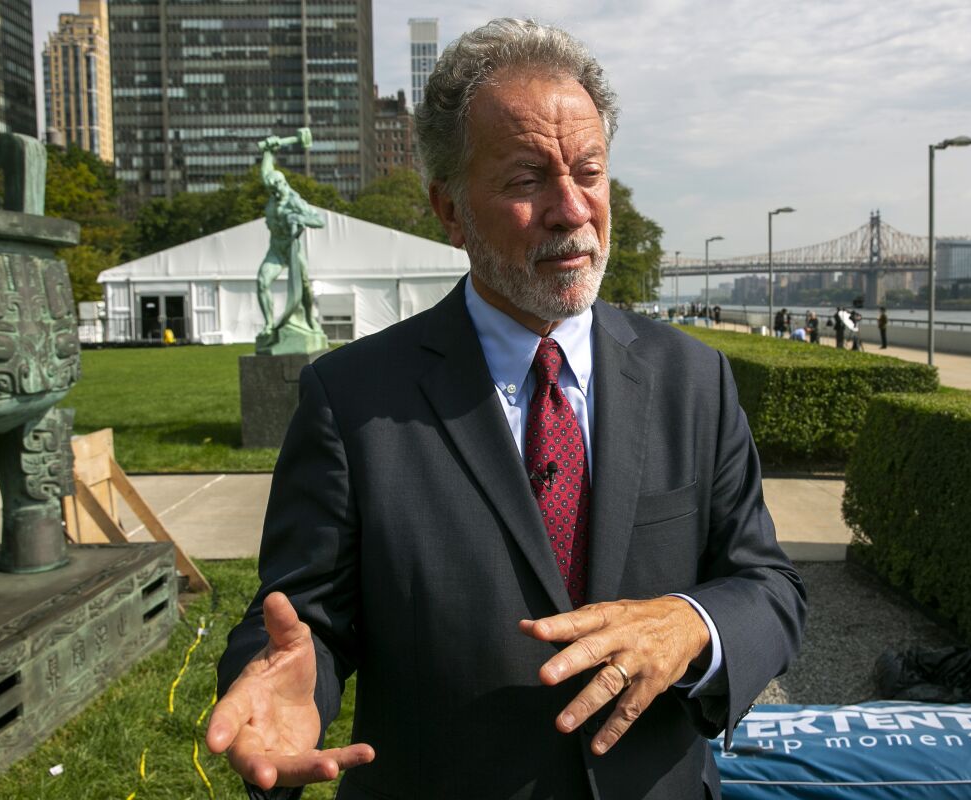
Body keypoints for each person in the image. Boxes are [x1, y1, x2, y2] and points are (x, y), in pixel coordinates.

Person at [208, 19, 805, 800]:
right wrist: (279, 679)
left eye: (589, 171)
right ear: (449, 212)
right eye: (527, 180)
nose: (572, 210)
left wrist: (692, 622)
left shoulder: (694, 380)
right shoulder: (352, 400)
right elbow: (301, 621)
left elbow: (767, 585)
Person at [254, 138, 326, 345]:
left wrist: (300, 219)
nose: (274, 193)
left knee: (304, 288)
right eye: (272, 190)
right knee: (262, 281)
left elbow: (319, 221)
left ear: (283, 184)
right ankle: (269, 325)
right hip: (276, 250)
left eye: (277, 189)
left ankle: (311, 320)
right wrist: (268, 150)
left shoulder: (294, 201)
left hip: (293, 249)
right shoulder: (273, 192)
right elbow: (266, 170)